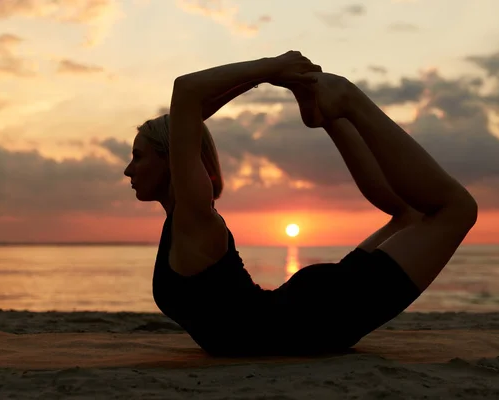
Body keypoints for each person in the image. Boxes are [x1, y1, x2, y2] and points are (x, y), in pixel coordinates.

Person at [123, 51, 478, 357]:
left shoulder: (194, 218)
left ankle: (347, 101)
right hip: (308, 311)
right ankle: (331, 119)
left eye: (138, 157)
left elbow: (185, 92)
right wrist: (269, 76)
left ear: (171, 161)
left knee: (457, 209)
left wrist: (271, 68)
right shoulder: (183, 223)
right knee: (407, 216)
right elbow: (190, 109)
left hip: (321, 316)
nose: (129, 169)